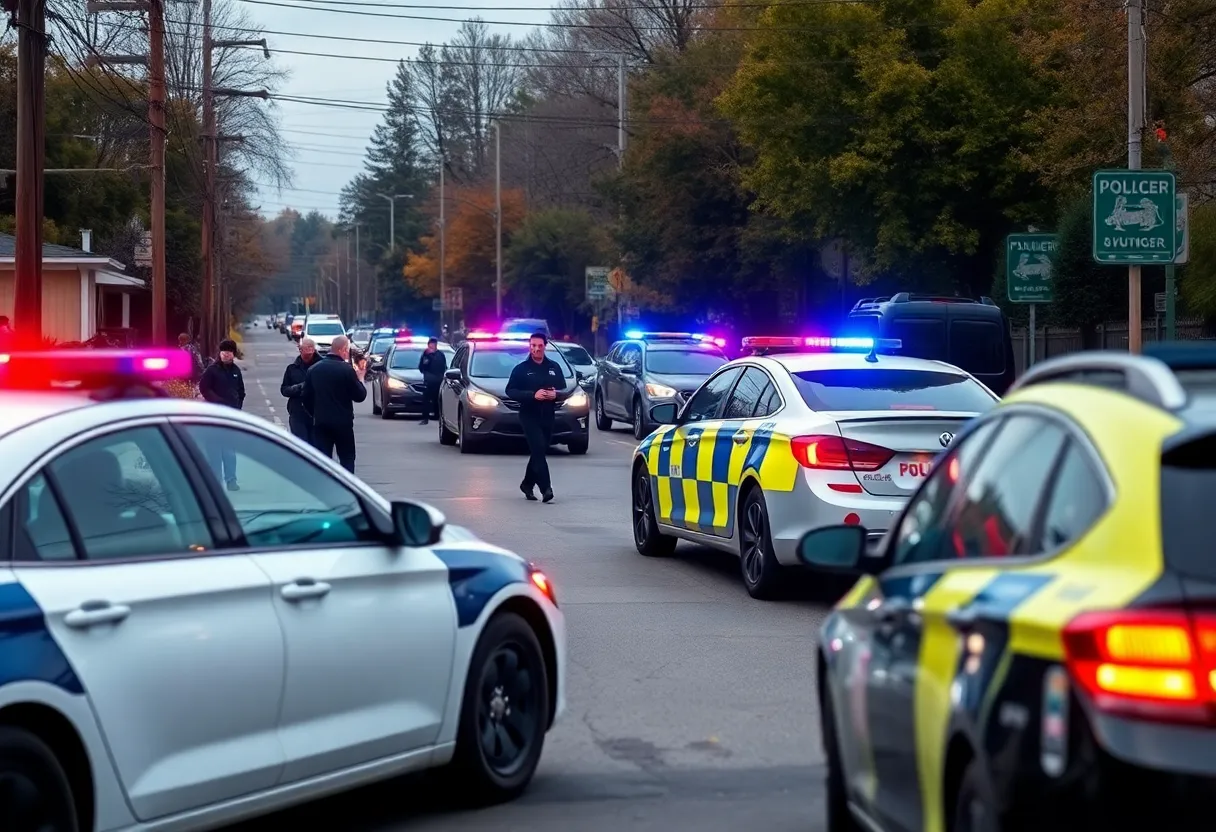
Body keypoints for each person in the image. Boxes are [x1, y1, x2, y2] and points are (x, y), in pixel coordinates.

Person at [505, 332, 563, 503]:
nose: (536, 349)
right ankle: (546, 488)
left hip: (548, 415)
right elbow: (511, 391)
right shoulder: (522, 369)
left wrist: (556, 394)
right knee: (538, 448)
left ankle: (527, 484)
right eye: (533, 346)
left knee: (540, 451)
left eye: (539, 346)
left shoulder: (554, 367)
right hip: (529, 415)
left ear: (545, 346)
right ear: (529, 346)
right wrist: (532, 395)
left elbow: (563, 388)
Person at [302, 334, 367, 473]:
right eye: (348, 350)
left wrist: (315, 413)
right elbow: (360, 396)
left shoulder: (314, 369)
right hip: (343, 423)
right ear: (343, 349)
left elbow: (305, 397)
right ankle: (347, 488)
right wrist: (361, 378)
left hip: (321, 423)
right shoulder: (346, 370)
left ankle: (324, 488)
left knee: (323, 460)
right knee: (347, 459)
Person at [198, 339, 245, 490]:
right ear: (220, 353)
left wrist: (237, 407)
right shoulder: (212, 370)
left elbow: (241, 391)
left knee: (229, 451)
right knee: (214, 451)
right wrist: (217, 401)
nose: (226, 355)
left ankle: (231, 480)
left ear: (233, 354)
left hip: (231, 417)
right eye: (224, 352)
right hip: (213, 417)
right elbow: (204, 388)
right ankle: (215, 482)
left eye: (229, 352)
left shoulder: (236, 371)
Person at [280, 337, 321, 442]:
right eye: (304, 350)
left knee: (317, 448)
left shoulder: (322, 366)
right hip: (298, 413)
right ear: (300, 350)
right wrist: (299, 388)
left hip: (318, 414)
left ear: (314, 350)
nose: (307, 353)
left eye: (310, 350)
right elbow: (284, 390)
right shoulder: (292, 368)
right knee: (300, 445)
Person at [417, 336, 447, 426]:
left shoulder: (440, 355)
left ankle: (438, 417)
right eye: (430, 344)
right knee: (426, 399)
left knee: (437, 400)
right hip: (429, 381)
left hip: (438, 381)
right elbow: (421, 367)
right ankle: (425, 418)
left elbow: (444, 367)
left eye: (433, 344)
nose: (432, 345)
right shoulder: (426, 354)